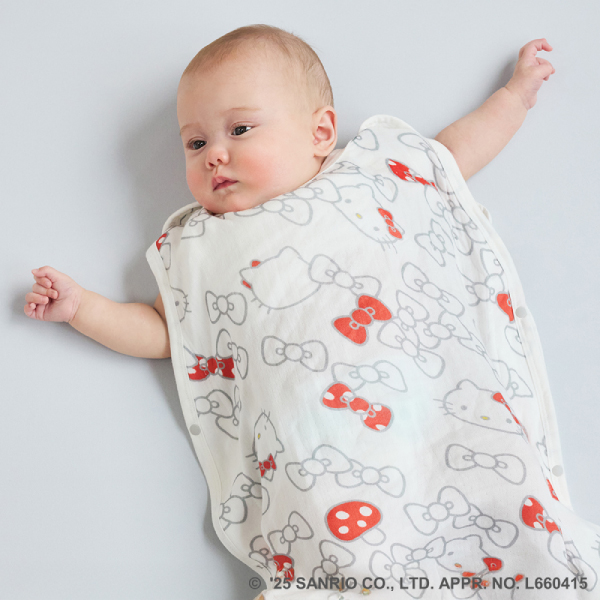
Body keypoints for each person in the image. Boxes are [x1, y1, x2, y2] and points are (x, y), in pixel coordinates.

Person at [25, 25, 600, 600]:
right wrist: (83, 308)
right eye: (195, 144)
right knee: (329, 541)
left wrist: (515, 97)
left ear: (321, 132)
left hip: (429, 411)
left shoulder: (367, 177)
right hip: (321, 449)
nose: (215, 154)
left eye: (240, 130)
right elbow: (164, 328)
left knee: (496, 499)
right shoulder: (204, 245)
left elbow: (449, 156)